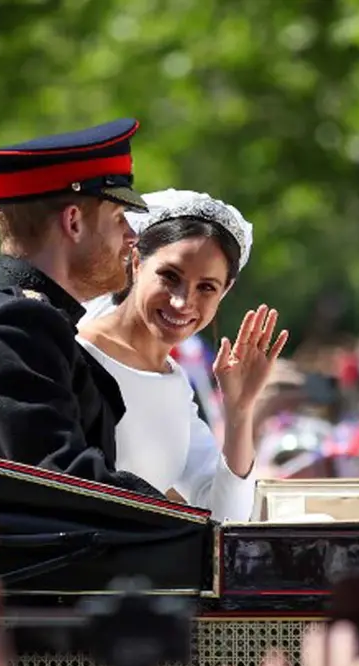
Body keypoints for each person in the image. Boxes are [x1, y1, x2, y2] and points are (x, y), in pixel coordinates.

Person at [0, 119, 162, 496]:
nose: (132, 236)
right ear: (73, 222)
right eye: (117, 218)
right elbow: (66, 482)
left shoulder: (19, 318)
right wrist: (188, 522)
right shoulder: (12, 325)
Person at [76, 190, 288, 520]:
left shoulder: (175, 383)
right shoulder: (76, 354)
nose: (181, 302)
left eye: (206, 287)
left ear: (225, 291)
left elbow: (225, 516)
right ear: (135, 261)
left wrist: (240, 410)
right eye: (170, 277)